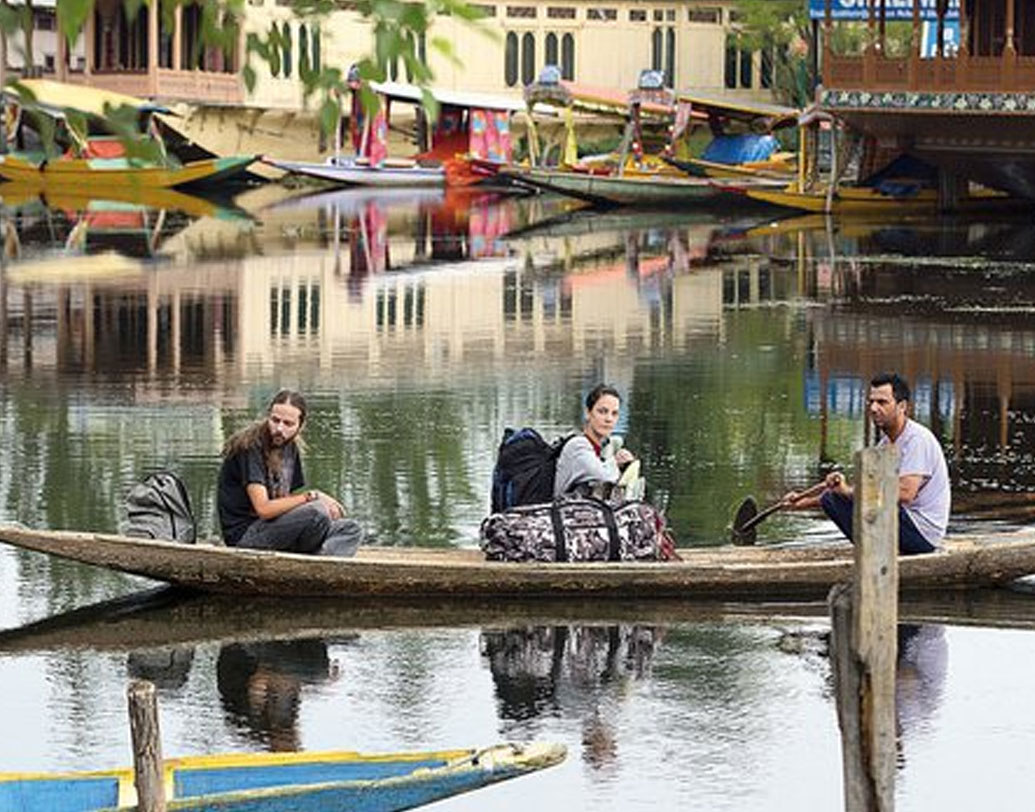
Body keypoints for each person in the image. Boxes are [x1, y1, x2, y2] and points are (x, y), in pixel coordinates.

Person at [784, 372, 950, 555]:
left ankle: (876, 555)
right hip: (904, 524)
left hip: (923, 535)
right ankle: (876, 554)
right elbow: (870, 492)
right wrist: (803, 502)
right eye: (871, 402)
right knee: (831, 498)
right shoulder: (884, 445)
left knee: (834, 498)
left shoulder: (917, 439)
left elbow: (905, 493)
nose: (874, 408)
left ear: (902, 406)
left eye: (882, 402)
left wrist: (846, 491)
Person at [217, 389, 363, 556]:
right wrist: (312, 497)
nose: (279, 428)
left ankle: (319, 559)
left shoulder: (290, 447)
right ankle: (321, 558)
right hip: (246, 535)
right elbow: (263, 509)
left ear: (300, 426)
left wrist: (314, 504)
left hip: (277, 529)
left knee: (351, 529)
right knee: (316, 512)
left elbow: (285, 501)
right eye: (275, 420)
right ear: (268, 416)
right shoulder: (250, 447)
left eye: (288, 424)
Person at [553, 383, 641, 499]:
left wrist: (627, 466)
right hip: (563, 509)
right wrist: (617, 462)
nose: (609, 419)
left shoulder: (601, 449)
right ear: (588, 413)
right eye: (602, 411)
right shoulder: (577, 446)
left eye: (614, 414)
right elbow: (605, 477)